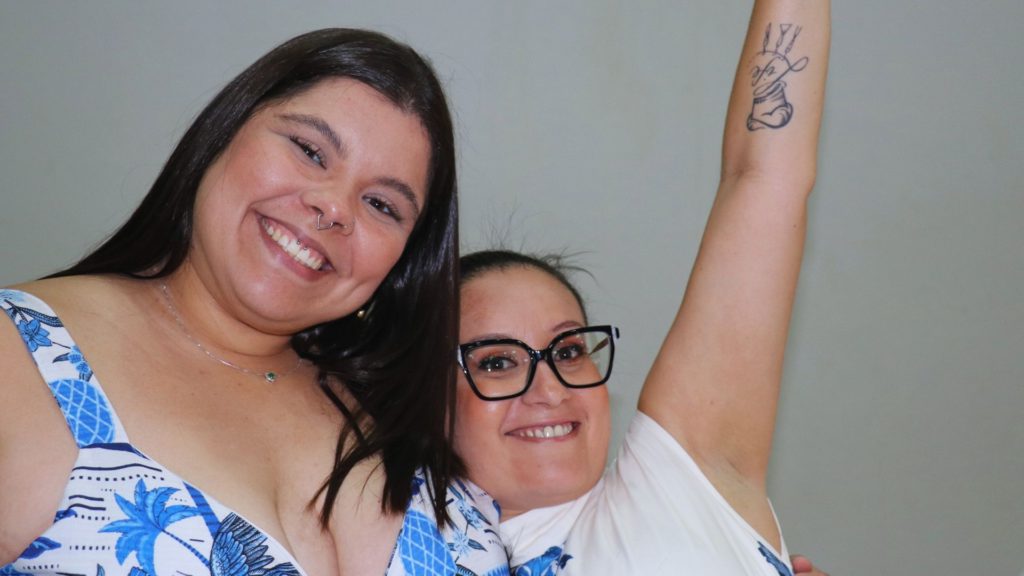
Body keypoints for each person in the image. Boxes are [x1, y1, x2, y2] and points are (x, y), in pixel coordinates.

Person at [0, 29, 507, 575]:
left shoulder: (409, 410)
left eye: (382, 204)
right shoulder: (21, 354)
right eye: (310, 151)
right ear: (224, 134)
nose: (335, 208)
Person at [452, 0, 830, 573]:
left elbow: (762, 177)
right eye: (497, 362)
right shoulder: (377, 545)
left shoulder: (679, 481)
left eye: (569, 350)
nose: (549, 388)